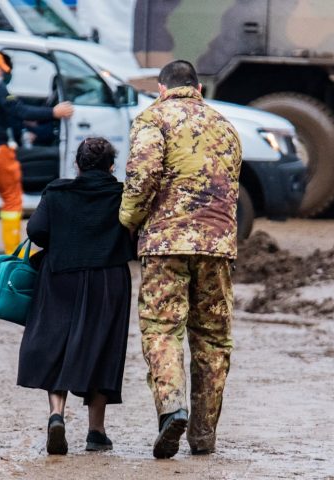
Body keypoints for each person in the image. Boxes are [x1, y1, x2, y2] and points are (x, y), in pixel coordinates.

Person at [119, 60, 242, 458]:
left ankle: (172, 408)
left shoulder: (152, 119)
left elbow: (143, 174)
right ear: (199, 89)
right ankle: (204, 434)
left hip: (165, 243)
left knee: (161, 327)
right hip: (217, 246)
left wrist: (128, 220)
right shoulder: (225, 124)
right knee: (213, 337)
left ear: (161, 88)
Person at [18, 137, 135, 455]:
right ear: (112, 166)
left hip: (60, 276)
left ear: (77, 164)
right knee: (102, 348)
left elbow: (36, 231)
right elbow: (135, 232)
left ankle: (56, 414)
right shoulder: (121, 194)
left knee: (56, 342)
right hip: (108, 280)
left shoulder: (57, 191)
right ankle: (96, 431)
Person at [0, 50, 74, 268]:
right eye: (1, 70)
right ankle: (13, 253)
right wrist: (52, 113)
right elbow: (17, 110)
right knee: (11, 198)